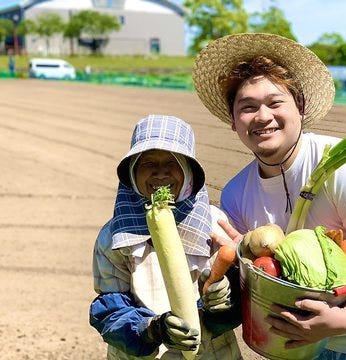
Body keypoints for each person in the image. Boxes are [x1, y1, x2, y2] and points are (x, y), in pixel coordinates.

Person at [192, 33, 346, 359]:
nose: (263, 116)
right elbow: (252, 271)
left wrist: (344, 317)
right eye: (248, 107)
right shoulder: (237, 193)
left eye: (275, 103)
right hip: (307, 346)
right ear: (234, 122)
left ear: (301, 108)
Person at [89, 114, 242, 359]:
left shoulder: (214, 224)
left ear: (189, 171)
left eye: (172, 162)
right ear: (132, 172)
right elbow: (110, 311)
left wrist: (221, 306)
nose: (161, 173)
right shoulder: (114, 236)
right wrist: (152, 329)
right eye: (148, 163)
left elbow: (238, 299)